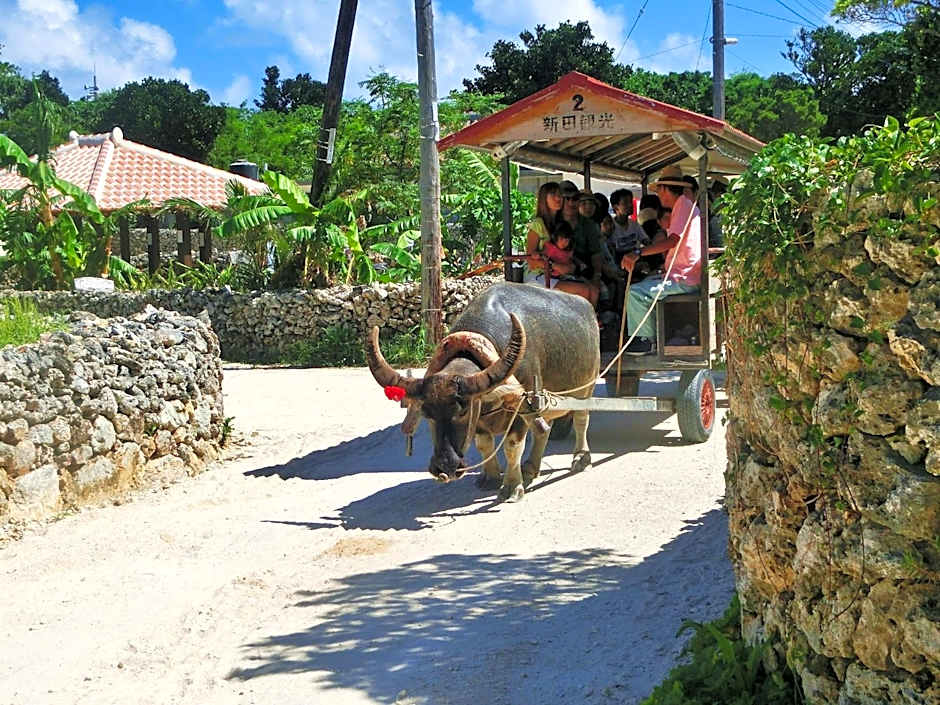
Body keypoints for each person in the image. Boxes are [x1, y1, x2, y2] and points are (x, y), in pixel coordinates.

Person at [620, 165, 702, 355]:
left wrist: (639, 253)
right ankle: (653, 335)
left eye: (660, 191)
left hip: (684, 278)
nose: (659, 196)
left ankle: (646, 341)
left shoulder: (682, 205)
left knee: (636, 293)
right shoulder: (684, 205)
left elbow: (672, 241)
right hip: (683, 274)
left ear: (665, 189)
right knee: (643, 284)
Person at [524, 181, 596, 304]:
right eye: (553, 194)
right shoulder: (537, 224)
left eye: (559, 194)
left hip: (558, 274)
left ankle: (590, 321)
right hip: (539, 276)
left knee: (593, 290)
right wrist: (553, 266)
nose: (558, 198)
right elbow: (531, 258)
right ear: (544, 199)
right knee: (584, 291)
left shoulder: (561, 224)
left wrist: (571, 266)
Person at [558, 180, 602, 308]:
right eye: (567, 199)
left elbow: (596, 254)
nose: (571, 202)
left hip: (584, 272)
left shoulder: (588, 224)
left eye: (575, 198)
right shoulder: (552, 222)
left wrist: (597, 276)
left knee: (599, 291)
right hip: (558, 272)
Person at [608, 188, 647, 261]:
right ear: (615, 207)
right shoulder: (610, 226)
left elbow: (646, 241)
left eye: (630, 202)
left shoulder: (634, 224)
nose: (630, 205)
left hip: (635, 259)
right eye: (625, 203)